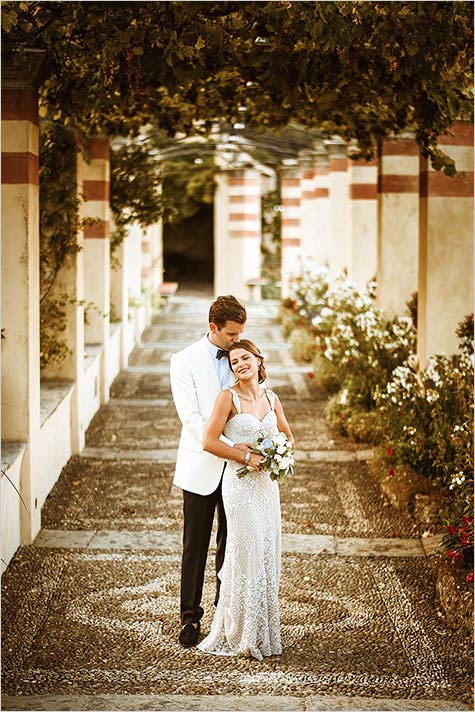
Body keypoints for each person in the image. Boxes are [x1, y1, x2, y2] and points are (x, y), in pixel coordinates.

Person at [197, 339, 294, 660]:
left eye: (245, 358)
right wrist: (244, 457)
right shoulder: (228, 398)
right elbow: (209, 441)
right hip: (239, 489)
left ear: (258, 359)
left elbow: (288, 438)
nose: (240, 364)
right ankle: (239, 632)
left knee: (266, 550)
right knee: (245, 550)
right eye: (234, 361)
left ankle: (262, 632)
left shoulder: (272, 397)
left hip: (267, 487)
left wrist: (279, 456)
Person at [169, 294, 251, 648]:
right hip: (201, 465)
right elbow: (191, 420)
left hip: (238, 471)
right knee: (195, 546)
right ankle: (190, 618)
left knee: (230, 545)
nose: (237, 341)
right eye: (231, 335)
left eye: (241, 334)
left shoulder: (242, 356)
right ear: (213, 327)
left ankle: (224, 615)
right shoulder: (183, 360)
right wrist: (229, 449)